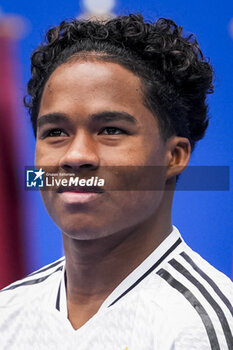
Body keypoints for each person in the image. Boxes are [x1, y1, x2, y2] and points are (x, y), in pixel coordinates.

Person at [0, 13, 232, 350]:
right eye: (55, 133)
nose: (76, 156)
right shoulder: (7, 312)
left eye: (111, 130)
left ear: (175, 157)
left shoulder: (197, 326)